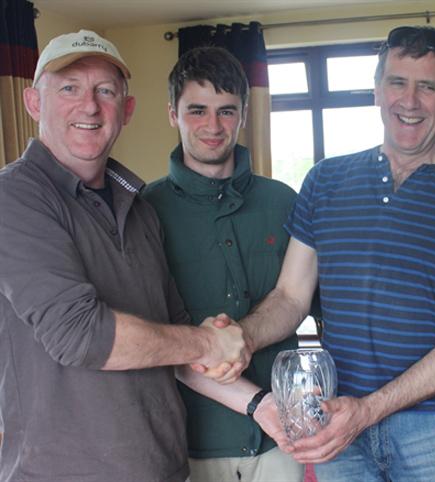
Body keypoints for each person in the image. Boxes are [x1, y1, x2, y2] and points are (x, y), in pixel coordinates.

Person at [228, 25, 435, 482]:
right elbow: (291, 297)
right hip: (339, 425)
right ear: (378, 90)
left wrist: (369, 410)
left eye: (429, 86)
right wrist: (239, 340)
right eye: (397, 82)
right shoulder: (325, 181)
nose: (410, 100)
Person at [0, 30, 247, 481]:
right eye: (69, 88)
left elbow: (178, 341)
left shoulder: (141, 210)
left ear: (127, 110)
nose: (89, 106)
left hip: (165, 469)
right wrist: (210, 341)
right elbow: (79, 334)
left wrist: (265, 408)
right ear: (34, 103)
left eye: (106, 91)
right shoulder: (14, 195)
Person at [143, 46, 303, 482]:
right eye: (197, 110)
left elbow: (312, 303)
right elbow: (145, 332)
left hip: (279, 440)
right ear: (172, 114)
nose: (212, 126)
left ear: (245, 114)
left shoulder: (285, 203)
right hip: (187, 439)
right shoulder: (142, 211)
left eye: (226, 111)